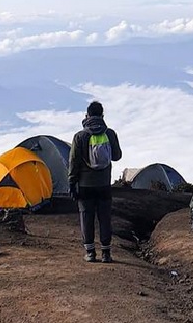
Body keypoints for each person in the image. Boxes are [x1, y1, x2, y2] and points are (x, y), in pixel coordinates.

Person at [68, 100, 122, 263]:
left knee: (86, 216)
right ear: (102, 115)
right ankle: (106, 253)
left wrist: (72, 183)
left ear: (88, 115)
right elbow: (117, 156)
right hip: (104, 184)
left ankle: (90, 252)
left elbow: (74, 162)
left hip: (85, 185)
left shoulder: (80, 136)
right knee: (104, 217)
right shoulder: (110, 133)